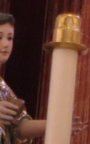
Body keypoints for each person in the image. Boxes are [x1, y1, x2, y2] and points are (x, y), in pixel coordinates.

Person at [0, 14, 46, 142]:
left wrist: (56, 124)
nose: (5, 44)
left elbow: (18, 126)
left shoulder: (4, 90)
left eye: (10, 38)